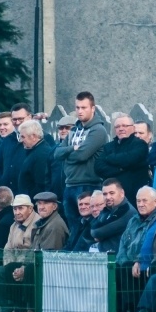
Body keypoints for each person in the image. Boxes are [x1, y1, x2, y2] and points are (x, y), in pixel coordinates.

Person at [54, 92, 109, 232]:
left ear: (93, 108)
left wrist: (68, 154)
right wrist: (73, 148)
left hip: (88, 184)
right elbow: (56, 153)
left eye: (84, 107)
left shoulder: (98, 130)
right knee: (74, 227)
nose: (80, 111)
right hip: (70, 184)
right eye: (77, 107)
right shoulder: (73, 131)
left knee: (88, 228)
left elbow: (82, 155)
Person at [0, 194, 40, 312]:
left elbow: (35, 250)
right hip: (13, 264)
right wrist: (9, 267)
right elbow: (8, 249)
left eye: (21, 208)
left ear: (30, 208)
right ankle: (5, 307)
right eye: (15, 209)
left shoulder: (37, 223)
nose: (17, 212)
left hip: (29, 264)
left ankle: (22, 309)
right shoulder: (13, 225)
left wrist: (22, 267)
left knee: (20, 271)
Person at [115, 186, 156, 312]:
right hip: (128, 262)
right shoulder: (133, 220)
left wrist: (136, 261)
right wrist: (122, 261)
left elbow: (147, 245)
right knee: (116, 267)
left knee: (126, 268)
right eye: (138, 201)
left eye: (144, 201)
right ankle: (117, 311)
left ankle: (130, 309)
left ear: (155, 202)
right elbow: (123, 244)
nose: (140, 204)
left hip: (143, 263)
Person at [94, 114, 150, 207]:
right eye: (117, 126)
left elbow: (130, 159)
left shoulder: (140, 145)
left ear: (133, 128)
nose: (121, 129)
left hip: (133, 196)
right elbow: (98, 167)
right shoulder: (108, 146)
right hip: (111, 197)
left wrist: (109, 158)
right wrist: (121, 169)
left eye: (125, 126)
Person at [90, 178, 137, 253]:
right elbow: (92, 226)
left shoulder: (127, 210)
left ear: (122, 193)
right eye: (105, 194)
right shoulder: (108, 209)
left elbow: (95, 232)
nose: (108, 197)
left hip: (118, 259)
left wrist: (101, 236)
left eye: (112, 193)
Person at [17, 120, 53, 199]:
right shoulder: (35, 151)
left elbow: (41, 183)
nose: (21, 140)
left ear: (33, 136)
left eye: (23, 137)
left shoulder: (42, 154)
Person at [47, 115, 76, 204]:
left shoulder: (79, 147)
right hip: (56, 196)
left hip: (74, 192)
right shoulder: (53, 150)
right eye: (61, 128)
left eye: (67, 127)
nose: (63, 130)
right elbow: (47, 174)